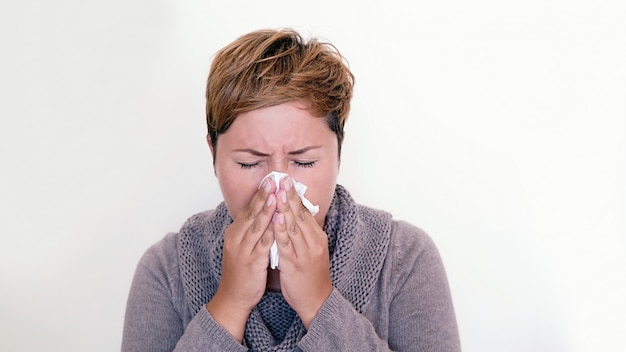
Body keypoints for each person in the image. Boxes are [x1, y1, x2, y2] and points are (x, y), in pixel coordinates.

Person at [122, 28, 461, 351]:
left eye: (304, 162)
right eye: (249, 163)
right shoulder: (166, 270)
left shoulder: (404, 259)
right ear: (214, 155)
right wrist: (231, 303)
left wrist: (319, 303)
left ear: (339, 153)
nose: (278, 190)